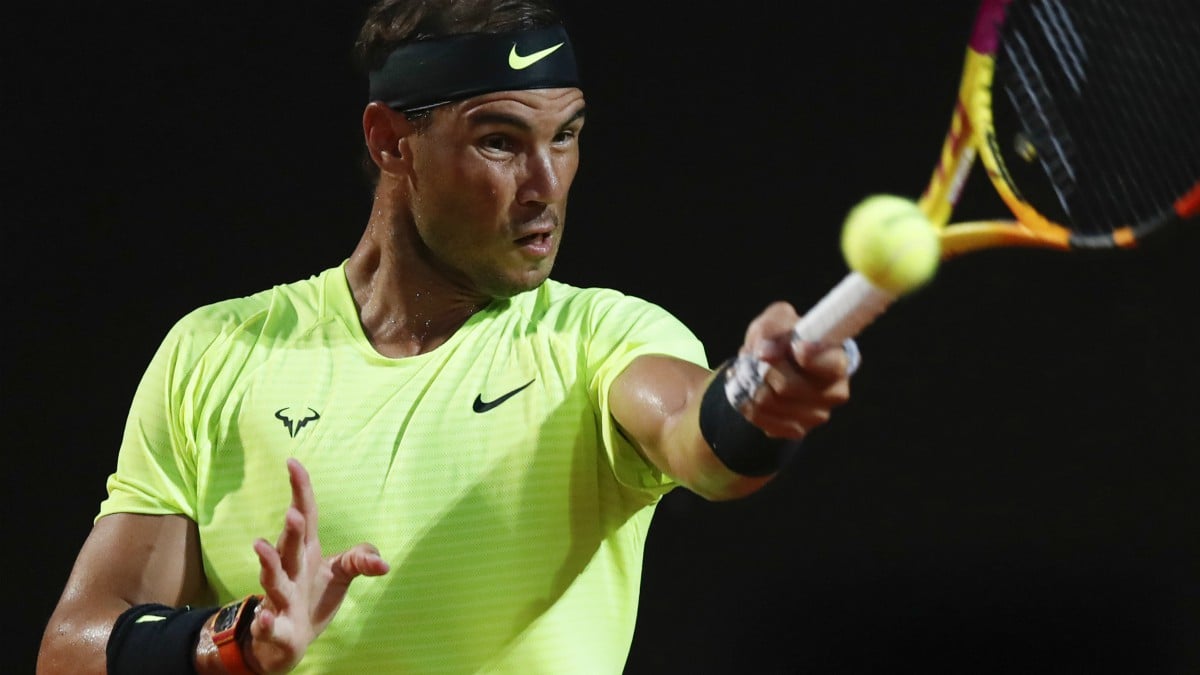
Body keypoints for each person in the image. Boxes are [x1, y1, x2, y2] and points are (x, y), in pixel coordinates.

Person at [37, 0, 855, 672]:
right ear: (392, 141)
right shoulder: (213, 352)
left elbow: (698, 437)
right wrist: (232, 642)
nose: (546, 186)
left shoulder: (601, 337)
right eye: (500, 140)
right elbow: (70, 648)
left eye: (565, 135)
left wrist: (757, 398)